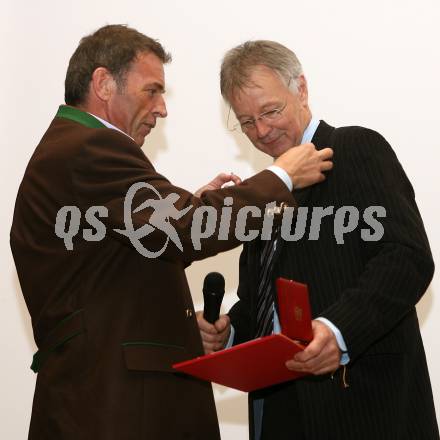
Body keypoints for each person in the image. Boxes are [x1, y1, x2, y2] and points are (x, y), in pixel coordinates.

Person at [10, 28, 333, 440]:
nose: (162, 108)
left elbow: (128, 251)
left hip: (106, 398)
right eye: (152, 90)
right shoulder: (90, 148)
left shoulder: (74, 149)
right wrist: (281, 177)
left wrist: (193, 206)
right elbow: (182, 230)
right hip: (117, 405)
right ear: (104, 84)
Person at [197, 40, 439, 439]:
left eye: (270, 111)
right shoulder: (267, 191)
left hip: (360, 410)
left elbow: (407, 257)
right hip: (276, 411)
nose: (261, 131)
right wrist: (231, 332)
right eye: (246, 122)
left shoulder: (356, 148)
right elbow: (261, 302)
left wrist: (337, 330)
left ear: (302, 89)